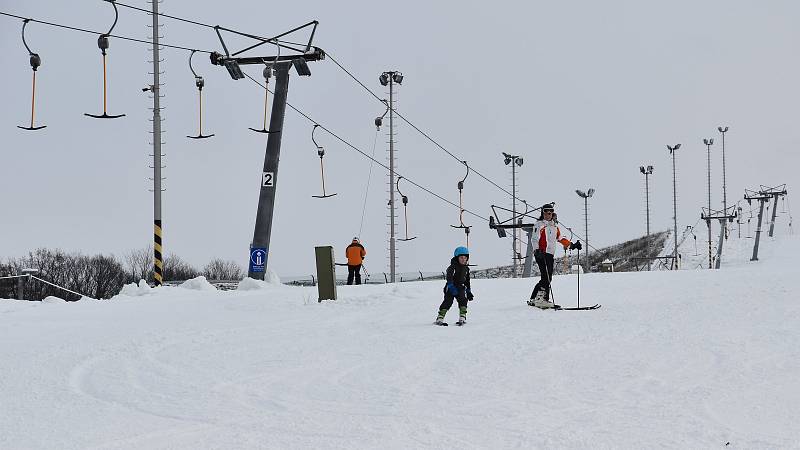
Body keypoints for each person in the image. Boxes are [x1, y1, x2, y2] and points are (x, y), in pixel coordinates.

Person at [527, 203, 581, 308]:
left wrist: (572, 245)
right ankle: (542, 299)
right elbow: (534, 239)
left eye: (550, 212)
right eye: (546, 212)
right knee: (546, 277)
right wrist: (537, 250)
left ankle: (534, 298)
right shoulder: (539, 225)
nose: (548, 214)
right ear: (543, 213)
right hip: (541, 253)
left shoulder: (554, 226)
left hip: (550, 254)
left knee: (546, 277)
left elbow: (560, 238)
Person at [434, 246, 474, 326]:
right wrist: (451, 287)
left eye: (465, 258)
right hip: (450, 287)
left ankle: (462, 317)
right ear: (457, 258)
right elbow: (449, 278)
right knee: (448, 302)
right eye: (461, 257)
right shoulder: (452, 267)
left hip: (460, 287)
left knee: (463, 300)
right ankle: (440, 317)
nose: (463, 259)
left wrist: (468, 291)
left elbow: (467, 281)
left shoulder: (466, 269)